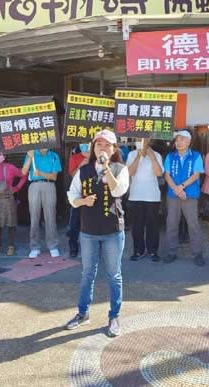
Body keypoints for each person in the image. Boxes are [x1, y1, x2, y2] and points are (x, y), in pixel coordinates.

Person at [65, 129, 129, 337]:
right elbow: (72, 196)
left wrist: (106, 170)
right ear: (93, 148)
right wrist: (83, 201)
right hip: (88, 231)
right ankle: (83, 313)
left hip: (112, 230)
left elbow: (118, 191)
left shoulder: (120, 169)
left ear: (114, 149)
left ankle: (114, 317)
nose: (102, 147)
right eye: (98, 144)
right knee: (87, 274)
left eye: (107, 144)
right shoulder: (83, 171)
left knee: (114, 275)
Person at [163, 130, 205, 266]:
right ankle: (171, 252)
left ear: (189, 141)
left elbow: (196, 174)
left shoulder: (196, 156)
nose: (178, 142)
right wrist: (176, 188)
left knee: (193, 224)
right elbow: (167, 175)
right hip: (173, 194)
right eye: (177, 140)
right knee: (171, 224)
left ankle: (197, 253)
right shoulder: (170, 156)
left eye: (181, 139)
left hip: (190, 194)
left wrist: (181, 186)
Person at [126, 138, 164, 261]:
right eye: (138, 139)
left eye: (144, 139)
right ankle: (138, 251)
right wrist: (138, 156)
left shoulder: (156, 154)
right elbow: (130, 173)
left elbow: (159, 173)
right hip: (135, 195)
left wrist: (151, 156)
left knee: (152, 225)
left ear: (149, 140)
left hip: (152, 196)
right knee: (137, 226)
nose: (141, 141)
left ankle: (153, 251)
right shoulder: (132, 154)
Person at [22, 147, 62, 258]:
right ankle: (34, 247)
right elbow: (24, 171)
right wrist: (30, 157)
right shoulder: (31, 153)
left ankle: (53, 246)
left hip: (49, 185)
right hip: (34, 185)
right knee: (34, 217)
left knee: (50, 216)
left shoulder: (54, 156)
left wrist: (41, 173)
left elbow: (54, 177)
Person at [0, 148, 27, 256]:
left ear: (4, 156)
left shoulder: (10, 167)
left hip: (8, 199)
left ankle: (11, 246)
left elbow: (24, 175)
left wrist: (16, 188)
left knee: (11, 223)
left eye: (0, 154)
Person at [66, 143, 91, 257]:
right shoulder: (75, 155)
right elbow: (73, 175)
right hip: (78, 194)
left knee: (93, 223)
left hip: (93, 194)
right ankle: (73, 247)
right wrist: (84, 161)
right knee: (74, 224)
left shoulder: (98, 153)